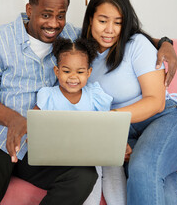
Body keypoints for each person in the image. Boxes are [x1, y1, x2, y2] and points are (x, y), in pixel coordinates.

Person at [0, 0, 177, 205]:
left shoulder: (71, 36)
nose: (53, 24)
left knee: (82, 176)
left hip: (42, 144)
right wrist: (14, 120)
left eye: (60, 16)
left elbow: (120, 34)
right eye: (46, 14)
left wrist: (165, 43)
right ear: (30, 10)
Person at [81, 0, 177, 205]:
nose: (110, 30)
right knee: (164, 189)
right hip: (125, 133)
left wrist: (110, 120)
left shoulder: (136, 45)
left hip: (165, 120)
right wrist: (112, 139)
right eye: (103, 20)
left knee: (143, 165)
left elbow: (156, 102)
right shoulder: (80, 52)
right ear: (90, 19)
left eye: (118, 22)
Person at [34, 37, 128, 205]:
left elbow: (108, 124)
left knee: (113, 165)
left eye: (80, 72)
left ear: (88, 72)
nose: (73, 77)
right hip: (66, 154)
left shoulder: (94, 94)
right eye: (66, 71)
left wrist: (119, 144)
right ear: (56, 71)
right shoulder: (48, 95)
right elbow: (35, 125)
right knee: (88, 171)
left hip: (95, 147)